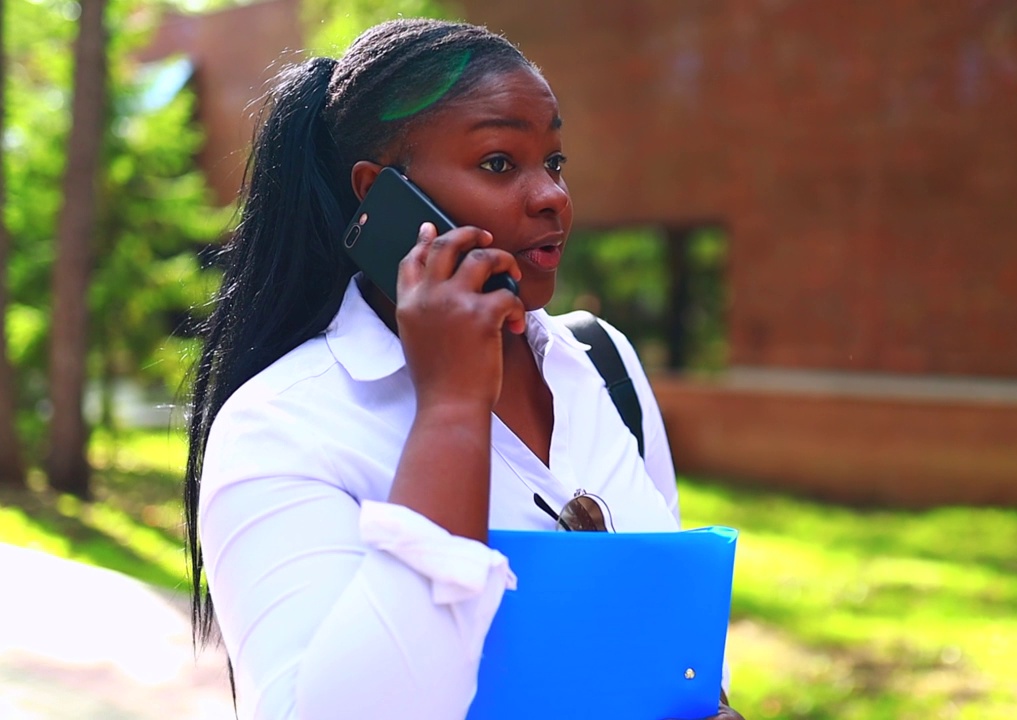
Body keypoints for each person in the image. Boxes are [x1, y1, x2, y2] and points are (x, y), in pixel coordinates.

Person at [182, 18, 744, 720]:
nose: (552, 197)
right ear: (380, 195)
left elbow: (671, 648)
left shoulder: (602, 365)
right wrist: (450, 409)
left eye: (555, 162)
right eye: (500, 164)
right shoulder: (284, 424)